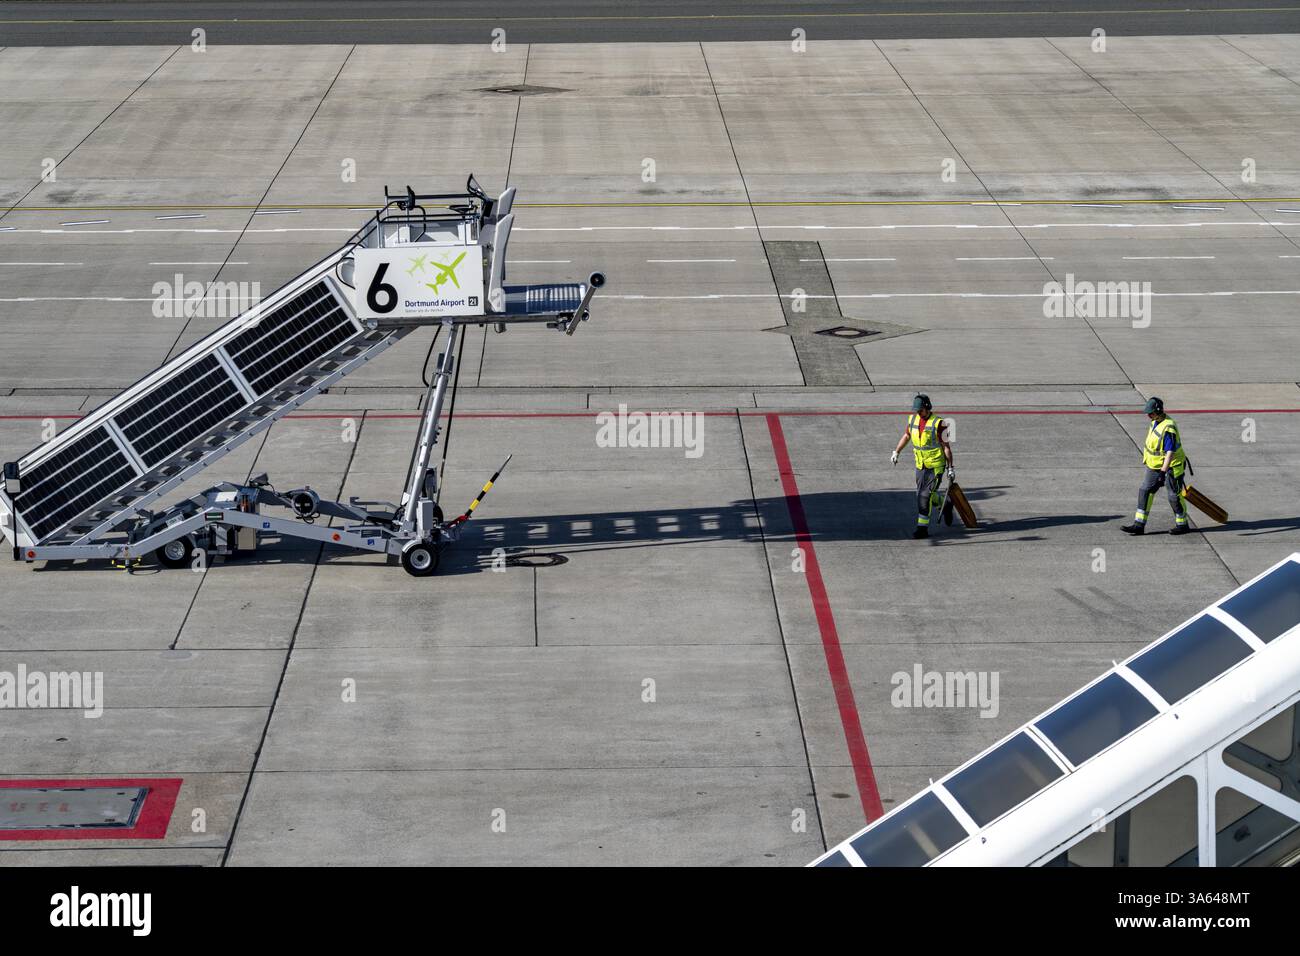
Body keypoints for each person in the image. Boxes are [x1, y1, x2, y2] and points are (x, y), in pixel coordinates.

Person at [1121, 396, 1190, 536]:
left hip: (1171, 466)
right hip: (1154, 465)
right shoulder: (1155, 422)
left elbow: (1170, 453)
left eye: (1151, 413)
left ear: (1158, 411)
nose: (1148, 416)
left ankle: (1182, 524)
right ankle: (1139, 525)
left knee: (1173, 496)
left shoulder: (1169, 427)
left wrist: (1163, 472)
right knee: (1145, 491)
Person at [891, 394, 954, 539]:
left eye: (920, 410)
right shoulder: (913, 419)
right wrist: (896, 452)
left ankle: (922, 528)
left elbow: (946, 447)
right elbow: (907, 436)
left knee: (924, 496)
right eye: (916, 410)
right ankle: (945, 504)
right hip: (920, 464)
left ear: (927, 407)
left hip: (936, 465)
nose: (918, 412)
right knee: (921, 494)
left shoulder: (939, 424)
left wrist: (951, 468)